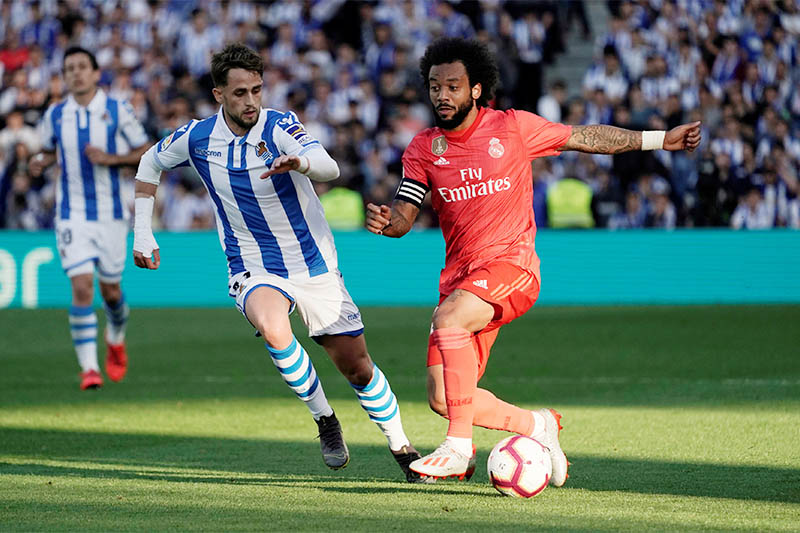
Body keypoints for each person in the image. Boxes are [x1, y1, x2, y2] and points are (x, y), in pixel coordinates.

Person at [365, 37, 701, 483]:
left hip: (513, 268)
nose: (442, 96)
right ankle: (537, 425)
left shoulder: (513, 128)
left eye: (452, 86)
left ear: (477, 89)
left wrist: (660, 139)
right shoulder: (424, 149)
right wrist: (388, 222)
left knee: (449, 319)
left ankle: (458, 447)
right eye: (434, 86)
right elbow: (406, 214)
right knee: (444, 396)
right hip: (462, 281)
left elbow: (586, 138)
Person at [131, 43, 425, 482]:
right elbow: (148, 162)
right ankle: (325, 419)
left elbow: (329, 167)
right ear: (218, 95)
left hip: (314, 264)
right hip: (251, 264)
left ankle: (401, 446)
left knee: (357, 368)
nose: (251, 101)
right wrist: (141, 230)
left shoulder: (279, 125)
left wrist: (300, 162)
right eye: (239, 93)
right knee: (272, 326)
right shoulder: (197, 137)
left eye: (256, 90)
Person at [29, 46, 151, 391]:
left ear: (96, 74)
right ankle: (88, 369)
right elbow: (51, 149)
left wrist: (110, 158)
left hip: (111, 214)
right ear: (64, 76)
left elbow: (147, 151)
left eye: (82, 67)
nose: (76, 73)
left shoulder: (116, 110)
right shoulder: (55, 114)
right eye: (69, 68)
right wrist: (41, 160)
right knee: (82, 288)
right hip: (71, 215)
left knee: (111, 292)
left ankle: (115, 336)